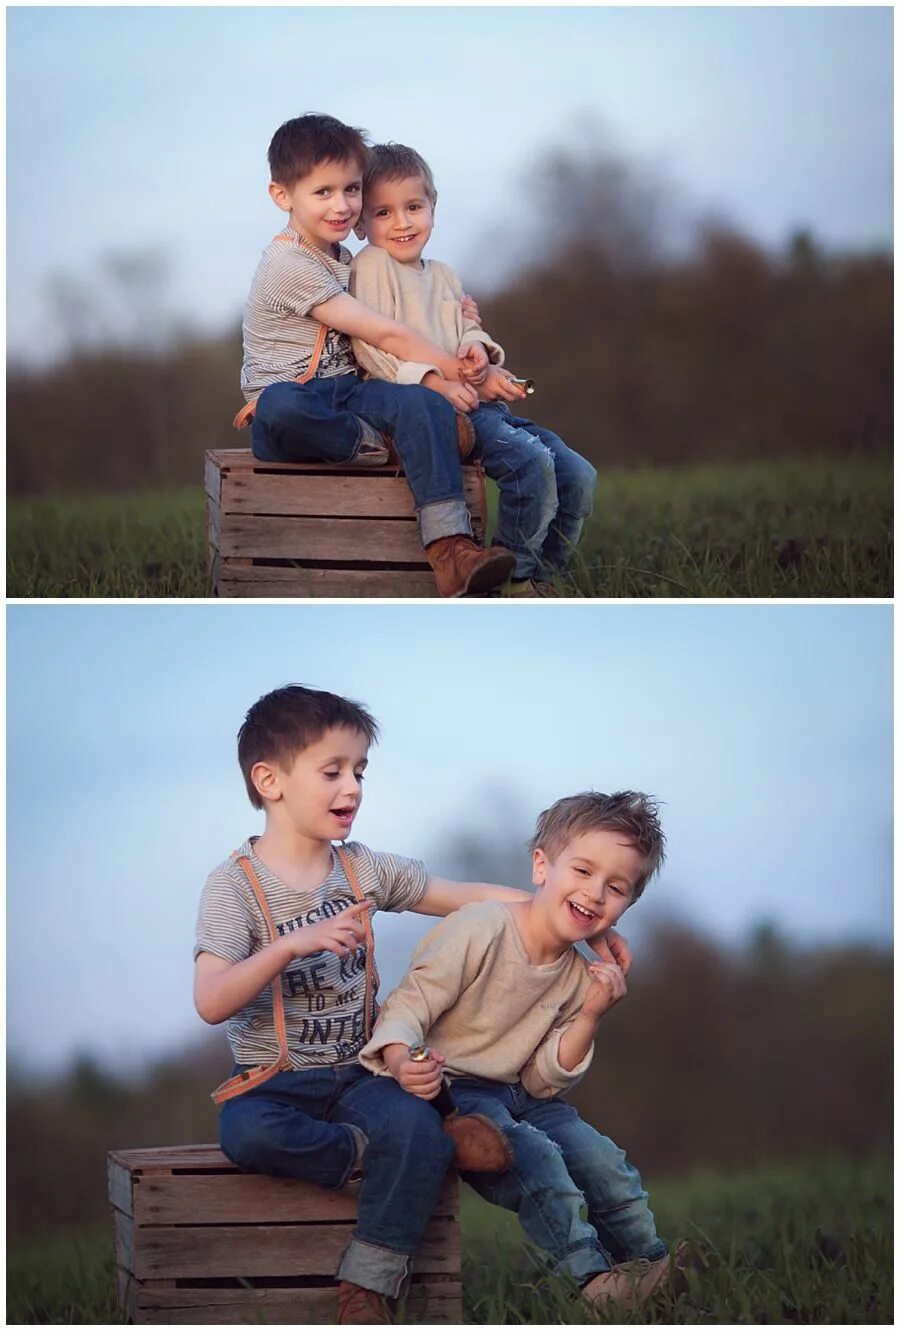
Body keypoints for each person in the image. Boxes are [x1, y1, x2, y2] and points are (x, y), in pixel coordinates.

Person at [194, 687, 631, 1324]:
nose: (354, 786)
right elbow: (210, 1001)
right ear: (270, 780)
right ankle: (366, 1150)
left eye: (360, 771)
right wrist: (290, 945)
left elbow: (466, 896)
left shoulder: (363, 869)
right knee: (244, 1131)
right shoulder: (233, 887)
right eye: (333, 771)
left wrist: (577, 924)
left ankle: (369, 1285)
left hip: (362, 1075)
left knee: (421, 1123)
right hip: (278, 1083)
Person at [360, 791, 693, 1311]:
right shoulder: (482, 928)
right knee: (537, 1158)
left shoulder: (581, 976)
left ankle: (654, 1268)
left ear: (627, 904)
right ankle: (593, 1286)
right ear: (542, 865)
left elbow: (542, 1082)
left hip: (523, 1096)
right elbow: (413, 1001)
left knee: (603, 1162)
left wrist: (589, 1015)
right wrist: (401, 1057)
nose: (594, 893)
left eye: (615, 888)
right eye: (582, 871)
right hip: (456, 1092)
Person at [240, 114, 516, 597]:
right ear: (282, 195)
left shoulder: (344, 259)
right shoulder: (287, 263)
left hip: (349, 394)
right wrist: (468, 374)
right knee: (282, 405)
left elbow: (407, 304)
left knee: (424, 401)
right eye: (322, 192)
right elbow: (386, 332)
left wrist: (459, 314)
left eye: (351, 190)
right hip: (297, 407)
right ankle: (376, 445)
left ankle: (452, 551)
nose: (342, 205)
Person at [349, 143, 599, 597]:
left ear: (432, 208)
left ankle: (545, 574)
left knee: (578, 474)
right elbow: (372, 348)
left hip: (481, 402)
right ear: (361, 225)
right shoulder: (373, 266)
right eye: (383, 213)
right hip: (439, 413)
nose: (402, 222)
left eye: (413, 207)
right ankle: (513, 578)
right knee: (532, 463)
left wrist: (480, 353)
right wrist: (436, 383)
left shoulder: (443, 274)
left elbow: (465, 330)